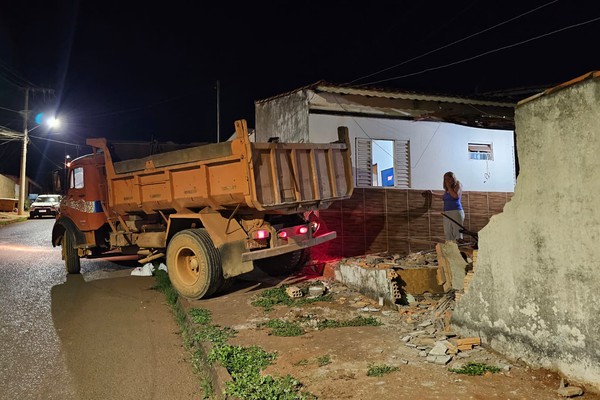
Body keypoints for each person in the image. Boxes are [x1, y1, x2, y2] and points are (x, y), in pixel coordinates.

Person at [425, 171, 465, 241]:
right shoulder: (447, 189)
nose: (447, 181)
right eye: (445, 179)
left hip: (456, 212)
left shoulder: (458, 185)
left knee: (457, 233)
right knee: (448, 233)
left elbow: (455, 196)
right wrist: (432, 193)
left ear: (453, 179)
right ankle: (451, 250)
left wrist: (449, 187)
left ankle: (459, 250)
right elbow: (444, 197)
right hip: (447, 213)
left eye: (449, 179)